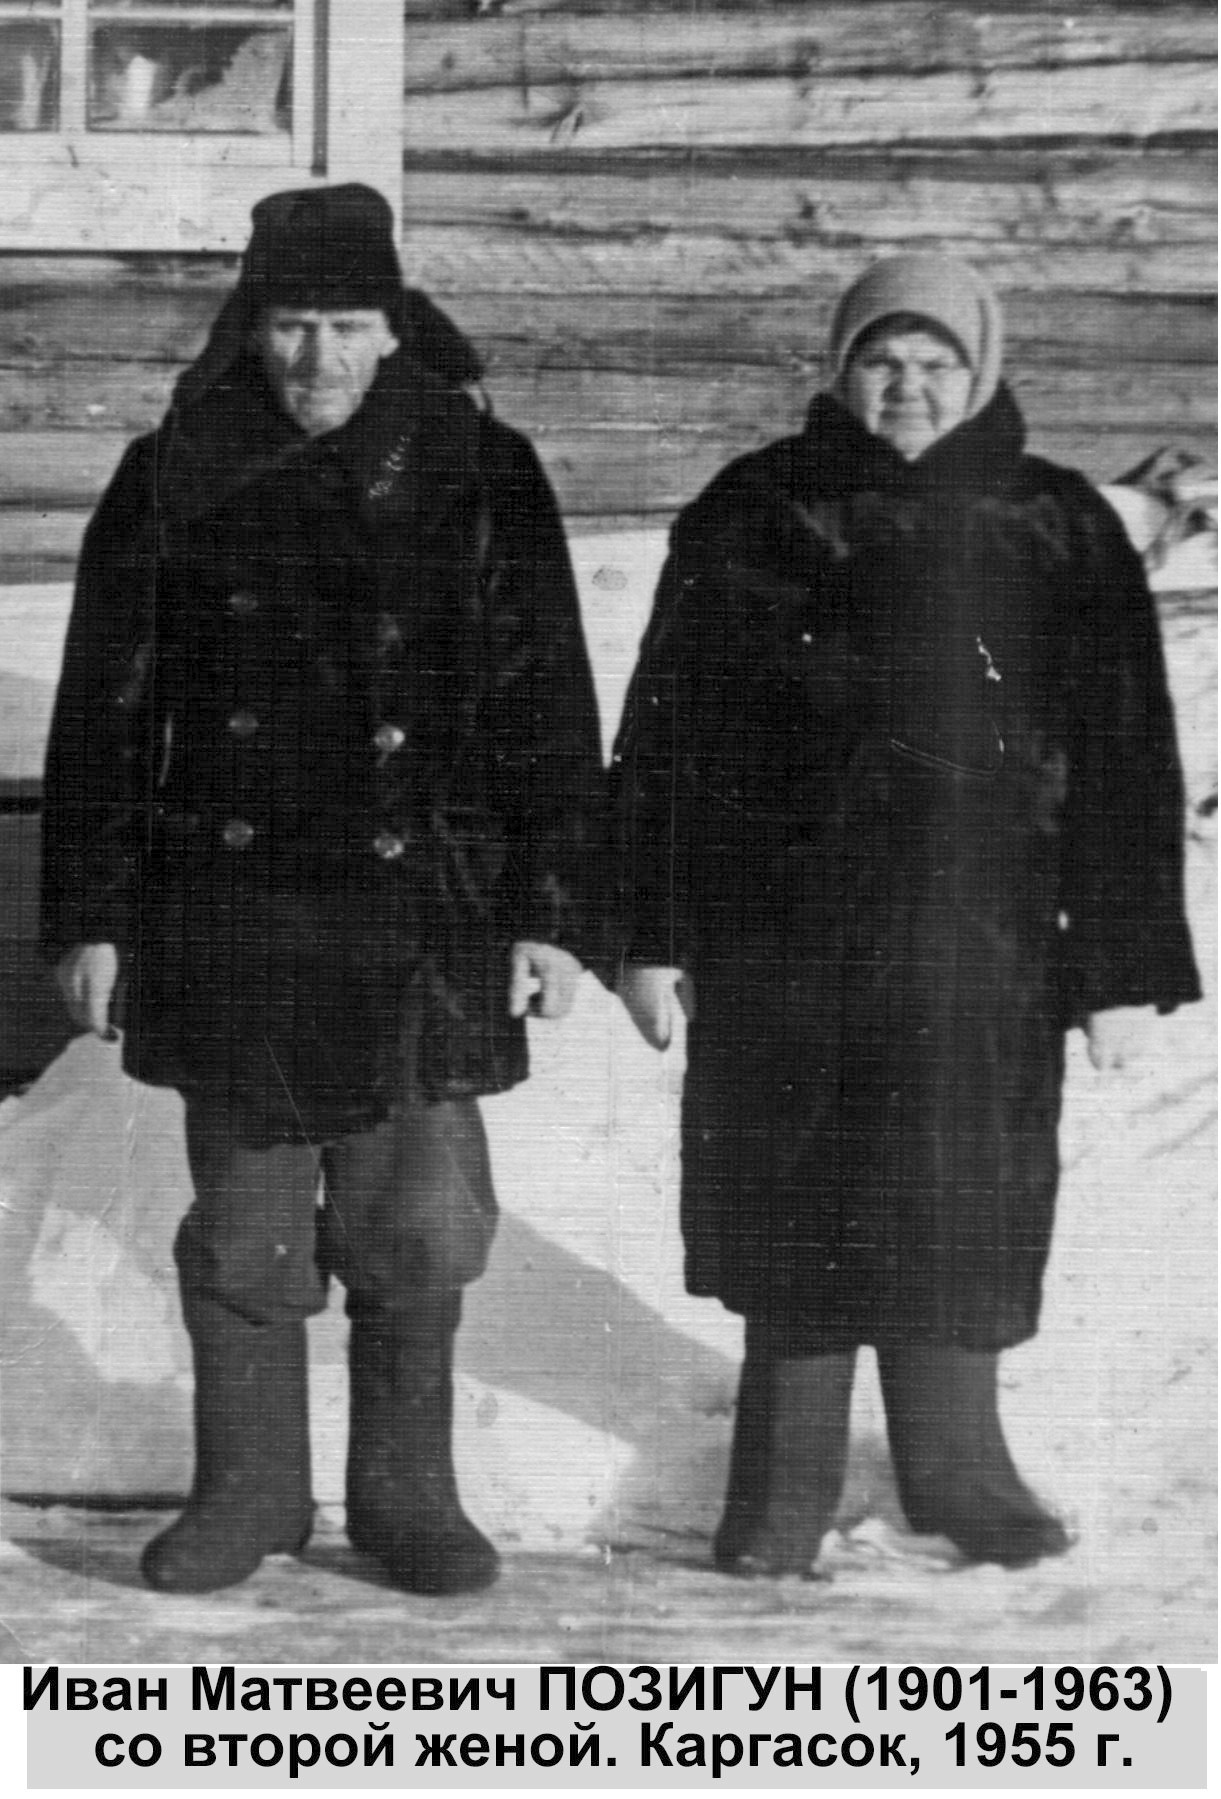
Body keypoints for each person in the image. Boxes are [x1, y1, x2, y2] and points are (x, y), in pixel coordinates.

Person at [40, 184, 607, 1597]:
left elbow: (547, 704)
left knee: (419, 1224)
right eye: (292, 324)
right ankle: (250, 1495)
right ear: (253, 325)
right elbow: (102, 715)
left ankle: (408, 1498)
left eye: (348, 324)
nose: (318, 357)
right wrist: (92, 916)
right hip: (229, 909)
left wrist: (553, 911)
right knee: (245, 1228)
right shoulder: (173, 470)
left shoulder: (481, 472)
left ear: (394, 327)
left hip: (426, 908)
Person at [613, 253, 1200, 1576]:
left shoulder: (1056, 522)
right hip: (780, 932)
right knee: (794, 1196)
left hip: (979, 937)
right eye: (883, 359)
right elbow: (662, 734)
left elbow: (1123, 756)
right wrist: (647, 932)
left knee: (957, 1197)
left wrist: (1118, 967)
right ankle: (781, 1490)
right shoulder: (755, 509)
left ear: (980, 371)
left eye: (938, 363)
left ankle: (956, 1473)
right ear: (839, 368)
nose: (909, 387)